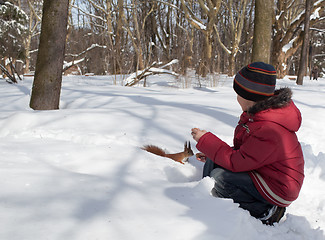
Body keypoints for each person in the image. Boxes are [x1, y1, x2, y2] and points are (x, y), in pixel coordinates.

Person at [191, 62, 304, 225]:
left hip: (278, 187)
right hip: (264, 173)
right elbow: (247, 154)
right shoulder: (257, 116)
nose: (236, 98)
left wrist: (206, 141)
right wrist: (212, 153)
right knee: (213, 161)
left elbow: (237, 162)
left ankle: (266, 211)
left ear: (249, 98)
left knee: (220, 179)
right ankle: (204, 198)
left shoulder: (269, 129)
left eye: (238, 94)